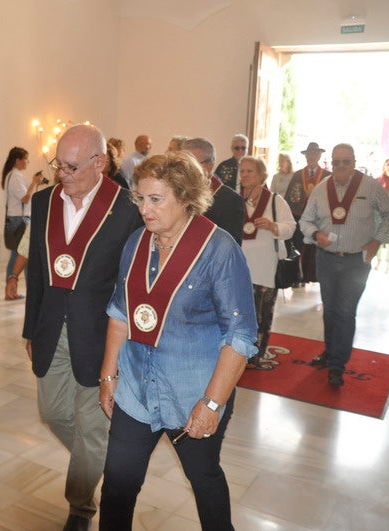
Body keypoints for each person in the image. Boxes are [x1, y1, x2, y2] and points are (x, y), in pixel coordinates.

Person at [98, 151, 257, 531]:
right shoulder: (136, 242)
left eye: (156, 199)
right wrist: (108, 375)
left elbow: (241, 335)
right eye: (140, 199)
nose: (144, 210)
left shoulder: (219, 250)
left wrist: (212, 402)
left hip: (193, 393)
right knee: (117, 487)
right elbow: (121, 311)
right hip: (136, 387)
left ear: (186, 197)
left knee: (204, 480)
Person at [23, 124, 143, 531]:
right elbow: (37, 273)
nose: (63, 174)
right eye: (59, 164)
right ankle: (100, 460)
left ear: (100, 163)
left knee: (92, 427)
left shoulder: (127, 208)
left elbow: (131, 282)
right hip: (50, 327)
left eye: (73, 166)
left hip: (100, 335)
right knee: (53, 412)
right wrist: (29, 329)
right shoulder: (43, 202)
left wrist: (128, 341)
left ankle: (80, 507)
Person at [299, 143, 389, 387]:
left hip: (356, 261)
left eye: (346, 161)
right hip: (327, 259)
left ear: (354, 162)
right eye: (337, 162)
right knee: (330, 310)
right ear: (331, 164)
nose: (341, 166)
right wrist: (315, 235)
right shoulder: (322, 189)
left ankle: (337, 365)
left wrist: (377, 241)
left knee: (345, 311)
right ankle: (331, 351)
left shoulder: (371, 186)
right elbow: (305, 221)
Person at [238, 156, 296, 369]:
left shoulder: (274, 201)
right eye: (242, 171)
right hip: (239, 268)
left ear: (261, 175)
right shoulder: (235, 199)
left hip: (265, 267)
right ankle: (237, 355)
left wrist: (273, 227)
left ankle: (257, 356)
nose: (244, 175)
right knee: (239, 315)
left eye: (249, 171)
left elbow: (291, 227)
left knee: (262, 316)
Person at [285, 142, 331, 285]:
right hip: (300, 217)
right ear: (306, 156)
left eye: (315, 154)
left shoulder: (327, 176)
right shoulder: (298, 175)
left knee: (317, 248)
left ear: (319, 156)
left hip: (319, 219)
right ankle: (298, 277)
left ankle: (317, 276)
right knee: (299, 246)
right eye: (309, 154)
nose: (312, 157)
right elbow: (290, 198)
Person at [184, 137, 245, 245]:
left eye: (192, 164)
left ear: (210, 165)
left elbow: (229, 246)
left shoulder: (230, 200)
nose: (186, 169)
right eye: (183, 164)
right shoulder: (179, 192)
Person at [2, 147, 42, 300]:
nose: (28, 162)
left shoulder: (13, 175)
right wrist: (34, 182)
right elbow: (25, 198)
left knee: (21, 255)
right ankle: (11, 289)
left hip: (17, 219)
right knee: (19, 255)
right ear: (18, 160)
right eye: (26, 158)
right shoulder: (15, 176)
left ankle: (16, 288)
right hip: (18, 220)